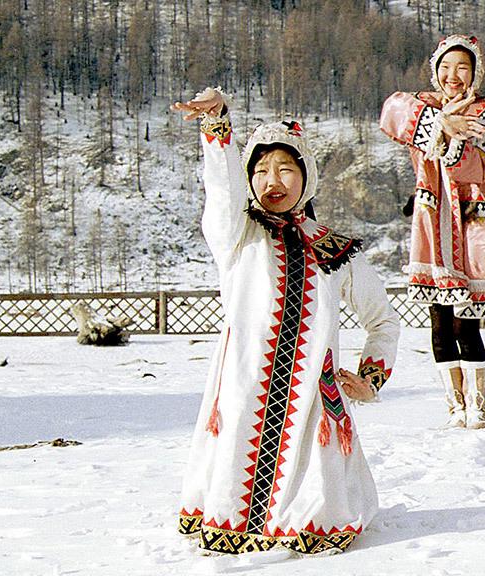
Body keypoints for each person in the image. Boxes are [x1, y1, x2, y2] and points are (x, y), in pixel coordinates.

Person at [171, 88, 400, 555]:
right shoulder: (238, 239)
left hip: (313, 401)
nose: (272, 179)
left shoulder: (334, 251)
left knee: (318, 517)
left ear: (306, 176)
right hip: (244, 393)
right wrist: (217, 126)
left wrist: (372, 375)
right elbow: (222, 193)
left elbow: (384, 321)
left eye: (286, 168)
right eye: (260, 170)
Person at [379, 35, 485, 430]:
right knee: (438, 320)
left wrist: (455, 133)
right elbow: (391, 111)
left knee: (465, 319)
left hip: (473, 224)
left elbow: (473, 170)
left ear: (475, 72)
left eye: (462, 67)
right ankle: (453, 404)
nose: (452, 76)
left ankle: (478, 405)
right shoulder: (424, 106)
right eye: (445, 67)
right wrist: (440, 122)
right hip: (432, 221)